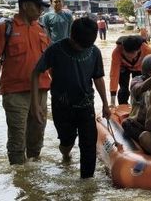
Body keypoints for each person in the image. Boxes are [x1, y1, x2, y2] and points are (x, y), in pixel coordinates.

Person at [30, 17, 110, 179]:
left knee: (88, 145)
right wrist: (35, 104)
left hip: (86, 105)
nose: (82, 49)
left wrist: (105, 104)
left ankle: (87, 184)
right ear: (72, 36)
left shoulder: (94, 52)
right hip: (62, 106)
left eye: (85, 46)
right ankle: (66, 155)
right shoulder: (55, 50)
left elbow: (98, 78)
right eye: (79, 45)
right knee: (67, 142)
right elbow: (36, 73)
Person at [0, 0, 51, 165]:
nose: (41, 11)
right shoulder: (4, 29)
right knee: (17, 138)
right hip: (15, 93)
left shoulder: (42, 30)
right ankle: (19, 178)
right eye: (38, 7)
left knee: (38, 134)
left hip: (41, 91)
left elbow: (51, 62)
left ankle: (34, 172)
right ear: (26, 6)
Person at [121, 54, 151, 143]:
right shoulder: (136, 80)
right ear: (150, 72)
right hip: (139, 122)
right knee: (127, 124)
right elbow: (139, 89)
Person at [109, 35, 151, 106]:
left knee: (139, 88)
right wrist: (112, 101)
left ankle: (138, 106)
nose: (129, 56)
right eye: (126, 53)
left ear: (139, 50)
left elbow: (150, 71)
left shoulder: (147, 50)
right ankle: (122, 106)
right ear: (123, 48)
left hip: (139, 67)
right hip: (124, 68)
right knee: (123, 90)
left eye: (132, 53)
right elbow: (114, 75)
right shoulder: (116, 52)